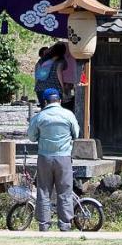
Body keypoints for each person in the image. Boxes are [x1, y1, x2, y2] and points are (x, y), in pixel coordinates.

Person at [26, 86, 81, 232]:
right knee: (65, 190)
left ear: (44, 101)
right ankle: (65, 224)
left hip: (45, 157)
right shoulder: (68, 115)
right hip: (63, 157)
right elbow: (76, 133)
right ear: (60, 100)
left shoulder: (39, 117)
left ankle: (44, 224)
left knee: (44, 190)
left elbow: (31, 137)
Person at [34, 39, 67, 106]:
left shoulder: (42, 60)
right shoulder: (60, 61)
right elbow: (59, 74)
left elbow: (37, 74)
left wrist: (37, 86)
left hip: (40, 88)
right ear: (63, 52)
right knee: (55, 110)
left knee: (44, 109)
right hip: (54, 89)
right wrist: (63, 90)